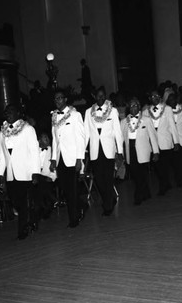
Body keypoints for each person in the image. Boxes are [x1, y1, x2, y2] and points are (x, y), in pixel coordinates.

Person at [0, 104, 41, 240]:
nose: (8, 113)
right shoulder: (3, 131)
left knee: (24, 202)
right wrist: (0, 174)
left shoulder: (28, 129)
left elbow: (34, 152)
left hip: (25, 172)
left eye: (11, 111)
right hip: (11, 173)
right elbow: (2, 154)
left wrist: (35, 172)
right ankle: (32, 219)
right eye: (6, 112)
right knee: (15, 201)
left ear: (18, 113)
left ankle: (23, 229)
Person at [84, 87, 124, 216]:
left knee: (108, 177)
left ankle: (107, 205)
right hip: (95, 150)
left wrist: (120, 151)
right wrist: (82, 152)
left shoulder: (113, 111)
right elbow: (86, 134)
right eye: (98, 96)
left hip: (108, 149)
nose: (101, 98)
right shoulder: (88, 112)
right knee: (99, 179)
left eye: (103, 96)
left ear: (105, 97)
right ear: (95, 97)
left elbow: (117, 132)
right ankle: (109, 198)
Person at [49, 88, 86, 228]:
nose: (57, 101)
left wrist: (79, 158)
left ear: (65, 99)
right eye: (55, 99)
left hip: (72, 157)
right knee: (65, 188)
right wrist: (53, 158)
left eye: (60, 98)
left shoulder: (75, 115)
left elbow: (80, 137)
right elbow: (54, 139)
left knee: (72, 188)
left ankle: (74, 218)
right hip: (60, 158)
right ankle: (82, 206)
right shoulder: (53, 116)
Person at [120, 98, 159, 205]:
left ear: (139, 106)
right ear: (128, 108)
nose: (133, 108)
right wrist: (119, 152)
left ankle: (138, 196)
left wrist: (156, 152)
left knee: (143, 173)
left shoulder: (146, 119)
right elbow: (121, 139)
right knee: (136, 174)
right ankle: (146, 193)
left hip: (143, 150)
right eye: (131, 106)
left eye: (136, 105)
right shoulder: (123, 121)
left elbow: (153, 136)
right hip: (130, 150)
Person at [144, 89, 179, 195]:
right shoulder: (146, 111)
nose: (155, 98)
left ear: (160, 97)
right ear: (149, 98)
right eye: (152, 96)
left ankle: (163, 186)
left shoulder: (167, 109)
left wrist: (176, 141)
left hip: (166, 141)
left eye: (157, 96)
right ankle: (165, 183)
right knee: (158, 167)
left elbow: (172, 125)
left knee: (165, 165)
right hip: (153, 143)